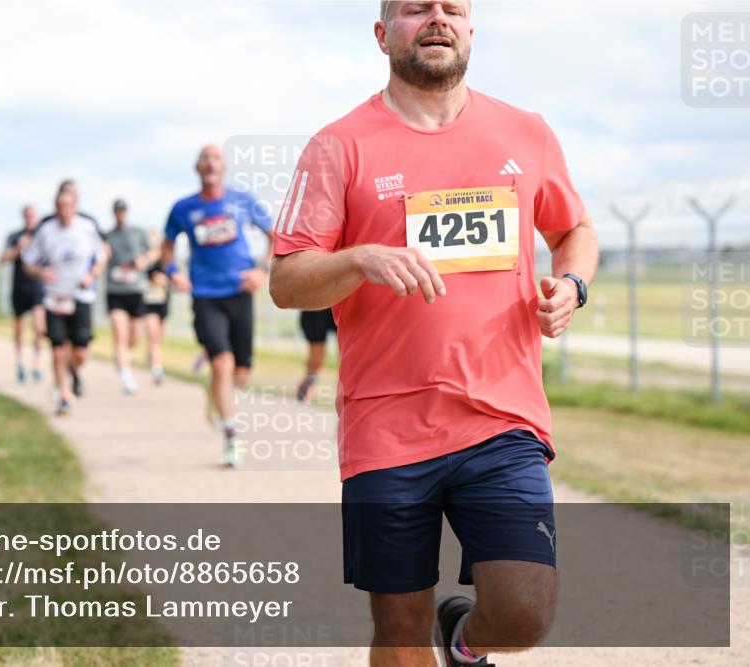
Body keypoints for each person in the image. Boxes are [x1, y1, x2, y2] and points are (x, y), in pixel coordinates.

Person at [268, 2, 599, 666]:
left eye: (453, 8)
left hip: (502, 418)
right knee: (398, 625)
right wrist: (358, 258)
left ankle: (465, 641)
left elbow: (573, 231)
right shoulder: (338, 145)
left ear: (471, 29)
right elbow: (287, 280)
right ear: (382, 32)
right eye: (417, 8)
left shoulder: (525, 132)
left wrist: (572, 285)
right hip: (385, 426)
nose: (437, 18)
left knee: (524, 610)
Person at [161, 144, 273, 467]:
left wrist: (260, 270)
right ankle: (231, 438)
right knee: (222, 364)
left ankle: (213, 393)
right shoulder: (183, 208)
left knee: (241, 375)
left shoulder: (242, 200)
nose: (210, 163)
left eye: (216, 158)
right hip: (205, 295)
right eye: (204, 158)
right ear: (197, 168)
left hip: (240, 291)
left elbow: (274, 237)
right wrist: (173, 273)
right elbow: (167, 250)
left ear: (223, 167)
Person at [23, 189, 107, 416]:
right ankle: (64, 396)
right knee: (58, 349)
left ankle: (72, 372)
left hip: (80, 295)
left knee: (81, 352)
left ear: (76, 206)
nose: (64, 211)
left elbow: (102, 257)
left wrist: (92, 275)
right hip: (54, 297)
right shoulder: (46, 231)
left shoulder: (87, 228)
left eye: (68, 206)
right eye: (60, 206)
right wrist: (41, 272)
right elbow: (28, 261)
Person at [104, 199, 159, 394]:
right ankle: (126, 376)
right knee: (120, 333)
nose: (120, 214)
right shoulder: (108, 236)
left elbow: (154, 251)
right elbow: (101, 256)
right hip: (115, 291)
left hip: (135, 290)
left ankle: (124, 358)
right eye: (117, 211)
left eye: (123, 211)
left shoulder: (138, 232)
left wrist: (143, 261)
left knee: (133, 337)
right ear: (113, 213)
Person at [1, 204, 45, 383]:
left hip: (38, 287)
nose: (30, 218)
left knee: (39, 327)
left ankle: (36, 363)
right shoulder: (14, 236)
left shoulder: (42, 236)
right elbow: (2, 258)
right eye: (27, 215)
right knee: (19, 328)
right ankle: (19, 363)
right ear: (23, 216)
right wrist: (18, 249)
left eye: (32, 215)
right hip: (19, 287)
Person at [142, 230, 170, 386]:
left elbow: (170, 279)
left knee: (159, 338)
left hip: (163, 302)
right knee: (153, 335)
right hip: (149, 302)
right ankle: (157, 369)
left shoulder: (166, 260)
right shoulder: (145, 259)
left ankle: (152, 357)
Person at [296, 308, 337, 402]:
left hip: (343, 300)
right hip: (315, 301)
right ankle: (308, 381)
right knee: (316, 355)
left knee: (345, 355)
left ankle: (345, 391)